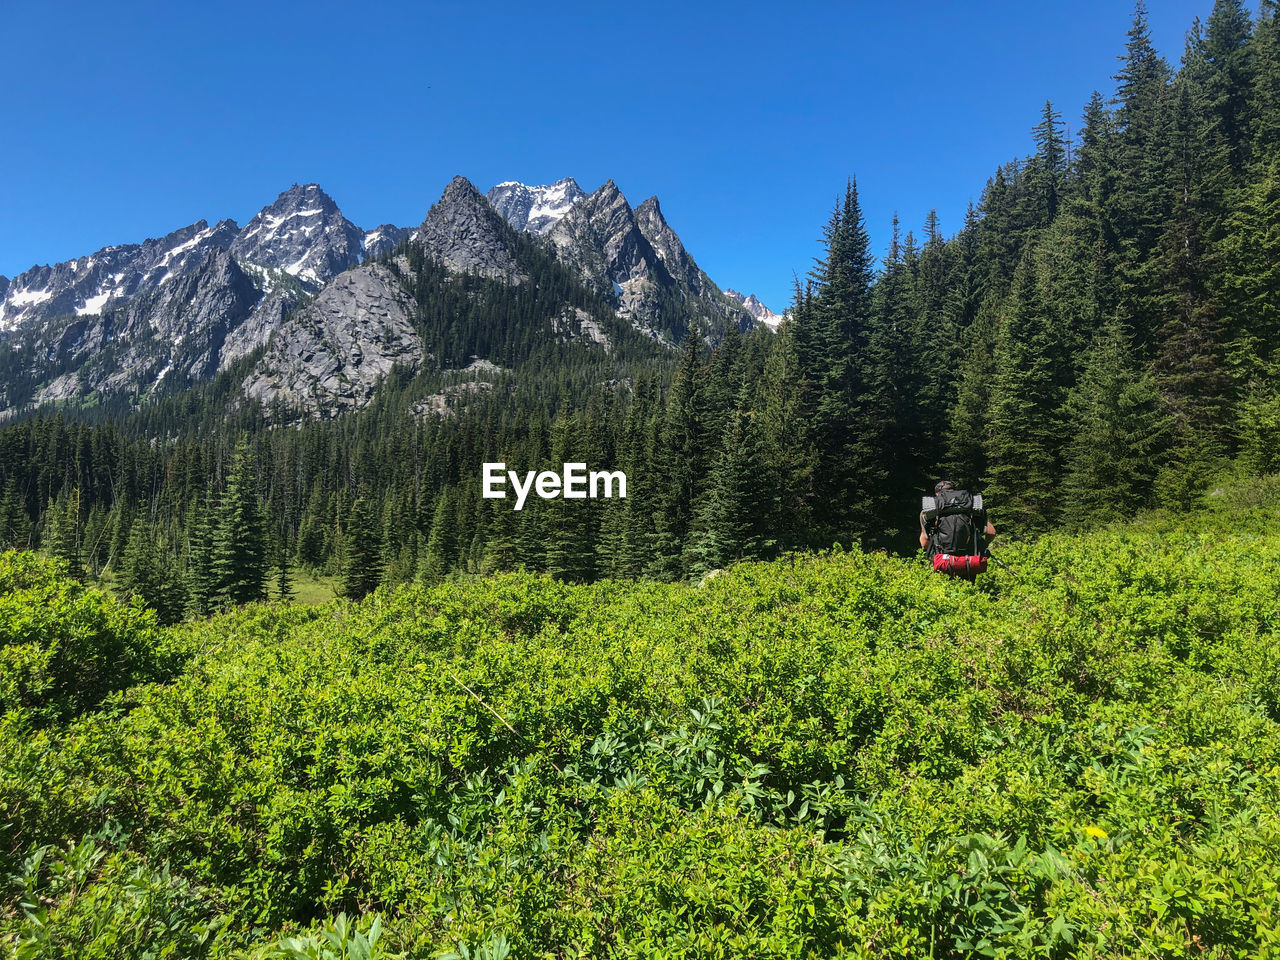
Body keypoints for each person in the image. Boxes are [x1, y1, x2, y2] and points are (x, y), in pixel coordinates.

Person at [919, 480, 996, 580]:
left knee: (944, 592)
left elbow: (924, 542)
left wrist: (933, 554)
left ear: (937, 494)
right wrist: (983, 545)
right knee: (969, 590)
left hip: (943, 560)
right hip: (969, 560)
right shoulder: (971, 505)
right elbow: (991, 532)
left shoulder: (931, 509)